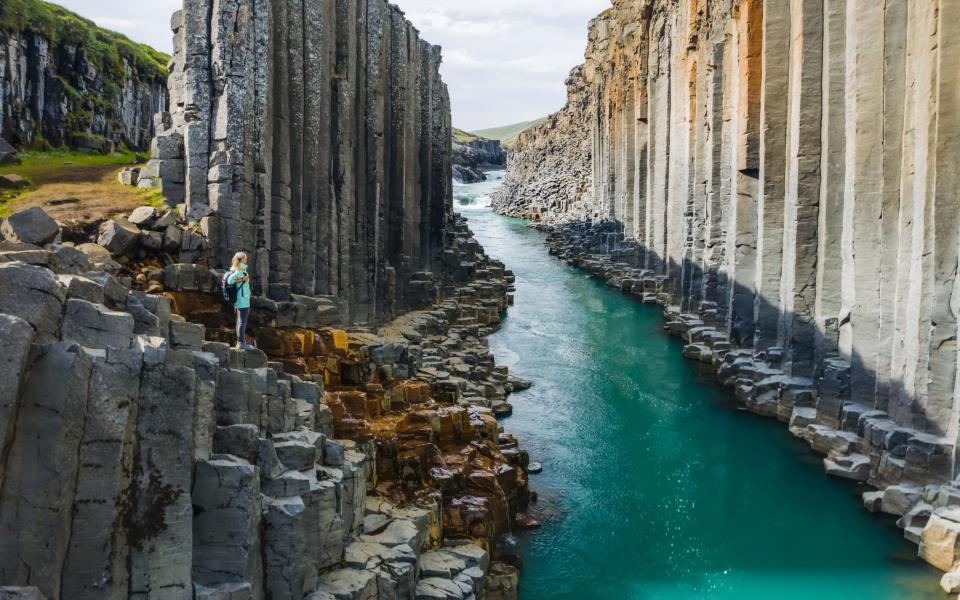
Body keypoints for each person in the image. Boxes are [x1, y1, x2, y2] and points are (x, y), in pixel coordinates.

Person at [227, 251, 254, 350]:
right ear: (242, 259)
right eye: (245, 258)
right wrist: (243, 279)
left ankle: (240, 342)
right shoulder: (239, 271)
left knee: (240, 322)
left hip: (242, 300)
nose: (246, 260)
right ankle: (241, 343)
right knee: (242, 322)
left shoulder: (240, 270)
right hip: (242, 301)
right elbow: (229, 281)